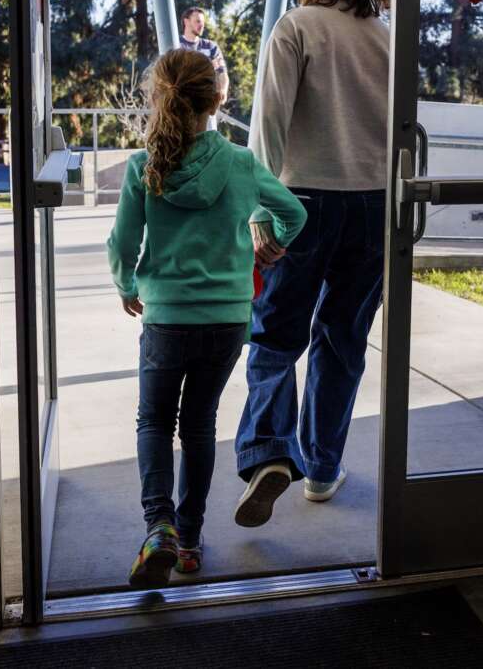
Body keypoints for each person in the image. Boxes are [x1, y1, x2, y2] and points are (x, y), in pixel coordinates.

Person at [107, 48, 306, 588]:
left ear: (158, 100)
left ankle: (159, 529)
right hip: (225, 319)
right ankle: (190, 543)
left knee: (154, 422)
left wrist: (127, 284)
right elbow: (294, 211)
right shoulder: (241, 163)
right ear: (217, 100)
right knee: (198, 426)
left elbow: (123, 241)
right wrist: (272, 243)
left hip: (166, 317)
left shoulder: (144, 166)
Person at [233, 0, 391, 528]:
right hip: (374, 204)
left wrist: (260, 208)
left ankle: (272, 451)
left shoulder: (297, 26)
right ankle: (322, 469)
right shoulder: (387, 39)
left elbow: (268, 124)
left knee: (275, 334)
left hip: (302, 203)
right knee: (342, 339)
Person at [179, 6, 228, 133]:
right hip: (183, 105)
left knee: (208, 140)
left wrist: (223, 89)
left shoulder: (211, 47)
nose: (202, 25)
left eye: (203, 22)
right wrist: (209, 66)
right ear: (186, 22)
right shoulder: (176, 45)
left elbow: (222, 73)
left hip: (206, 105)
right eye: (198, 21)